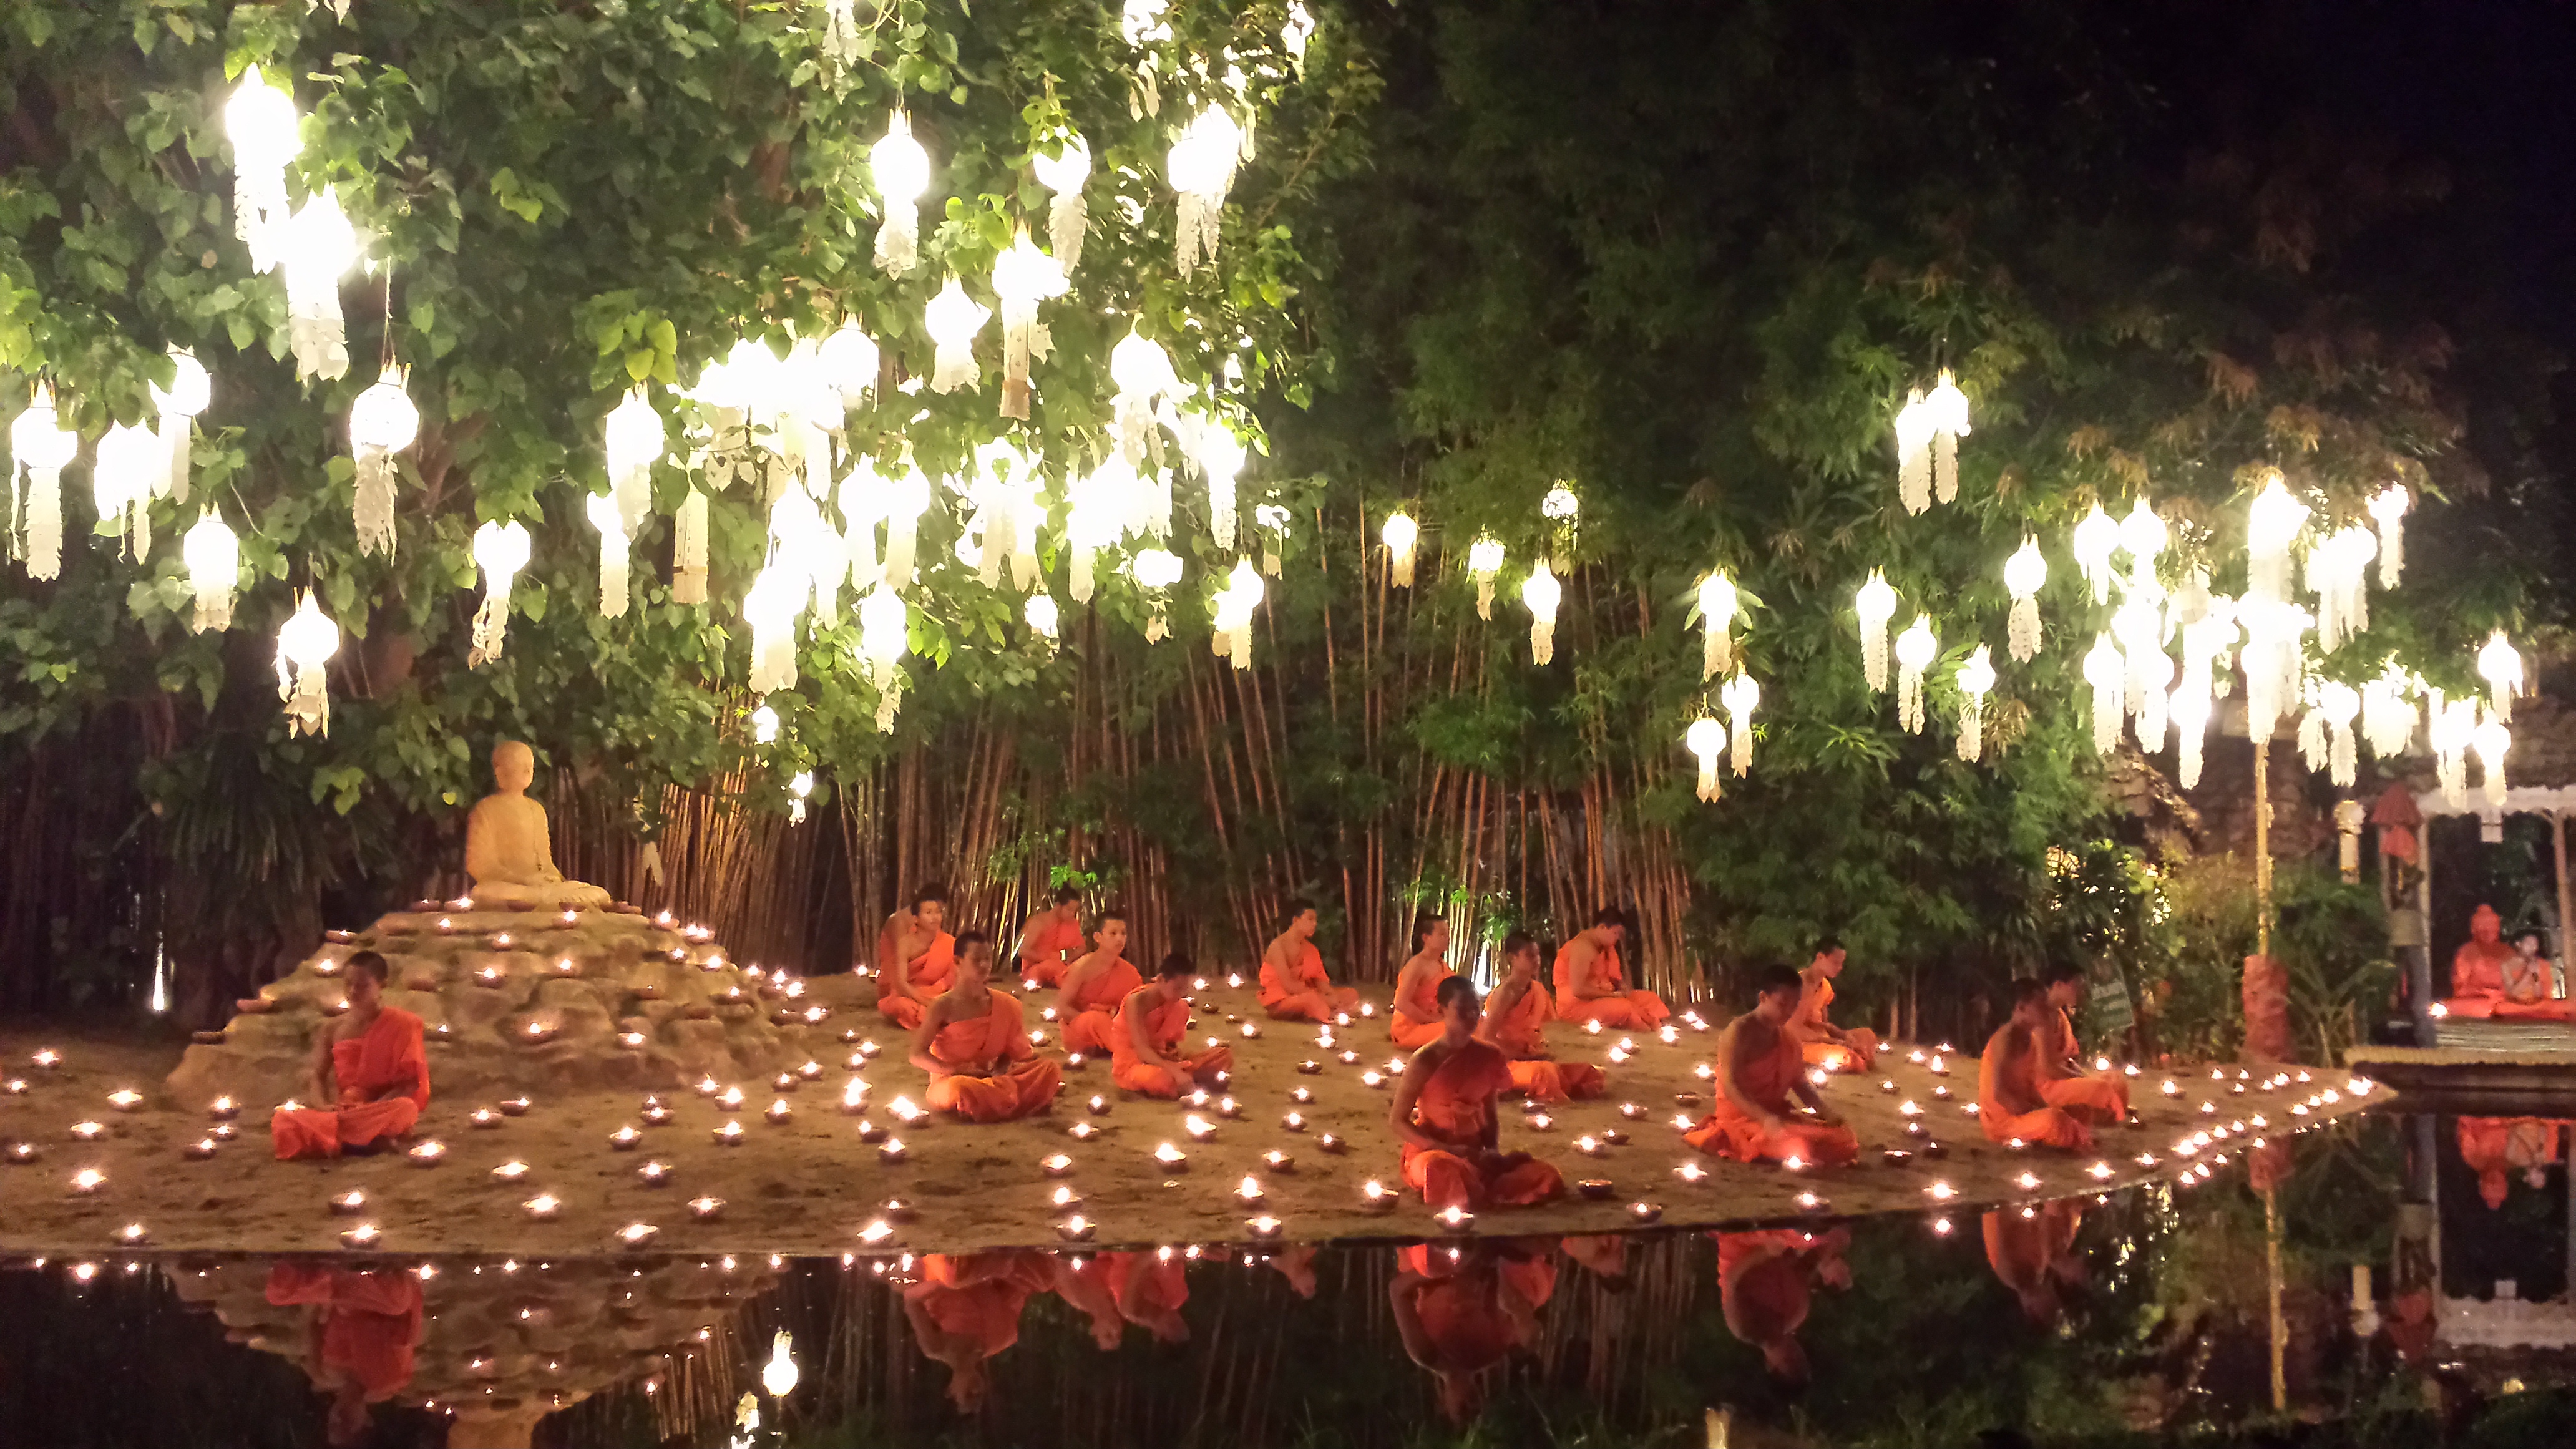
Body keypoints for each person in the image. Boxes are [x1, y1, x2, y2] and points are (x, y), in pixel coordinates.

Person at [1390, 976, 1567, 1209]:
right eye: (1462, 1009)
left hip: (1474, 1153)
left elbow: (1490, 1115)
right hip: (1432, 1151)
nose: (1472, 1016)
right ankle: (1481, 1188)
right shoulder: (1425, 1060)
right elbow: (1397, 1121)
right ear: (1442, 1010)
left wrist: (1492, 1151)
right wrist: (1447, 1149)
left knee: (1547, 1174)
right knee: (1440, 1169)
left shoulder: (1489, 1055)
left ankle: (1478, 1187)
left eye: (1476, 1009)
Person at [1685, 965, 1860, 1166]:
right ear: (1763, 998)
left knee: (1844, 1137)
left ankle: (1801, 1148)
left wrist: (1825, 1111)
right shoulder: (1739, 1033)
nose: (1789, 1012)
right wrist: (1763, 1118)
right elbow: (1730, 1086)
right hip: (1741, 1120)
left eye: (1794, 1006)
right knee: (1792, 1143)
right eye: (1782, 1004)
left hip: (1777, 1118)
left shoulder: (1789, 1040)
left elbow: (1801, 1085)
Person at [272, 952, 429, 1160]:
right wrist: (323, 1106)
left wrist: (371, 1107)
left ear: (382, 985)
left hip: (380, 1107)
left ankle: (341, 1140)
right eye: (348, 984)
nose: (353, 992)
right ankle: (364, 1141)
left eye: (362, 986)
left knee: (405, 1108)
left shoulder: (404, 1024)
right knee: (284, 1118)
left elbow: (408, 1084)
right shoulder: (332, 1029)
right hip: (343, 1109)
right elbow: (317, 1076)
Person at [1388, 1241, 1553, 1423]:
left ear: (1442, 1403)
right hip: (1489, 1256)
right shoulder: (1492, 1353)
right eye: (1477, 1410)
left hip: (1439, 1261)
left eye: (1463, 1409)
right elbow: (1518, 1314)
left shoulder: (1425, 1352)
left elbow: (1397, 1290)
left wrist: (1450, 1270)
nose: (1471, 1403)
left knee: (1430, 1263)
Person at [264, 1261, 422, 1447]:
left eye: (333, 1424)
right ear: (367, 1421)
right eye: (348, 1424)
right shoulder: (390, 1379)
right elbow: (406, 1320)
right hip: (375, 1297)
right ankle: (339, 1272)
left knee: (278, 1295)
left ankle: (330, 1269)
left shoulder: (323, 1372)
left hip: (337, 1293)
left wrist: (318, 1299)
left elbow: (311, 1326)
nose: (339, 1417)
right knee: (397, 1301)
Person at [907, 932, 1061, 1121]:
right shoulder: (942, 1006)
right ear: (958, 961)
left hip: (992, 1078)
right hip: (952, 1080)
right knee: (962, 1089)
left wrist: (1000, 1070)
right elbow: (916, 1055)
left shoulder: (1006, 1003)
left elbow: (1014, 1053)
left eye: (987, 959)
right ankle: (1012, 1101)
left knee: (1049, 1068)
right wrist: (956, 1070)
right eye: (977, 959)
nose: (984, 965)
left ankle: (999, 1102)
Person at [902, 1251, 1055, 1412]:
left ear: (951, 1391)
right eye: (980, 1395)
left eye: (969, 1394)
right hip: (992, 1267)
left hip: (951, 1270)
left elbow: (911, 1299)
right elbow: (1015, 1291)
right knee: (1045, 1280)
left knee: (955, 1276)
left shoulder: (935, 1347)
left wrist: (945, 1284)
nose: (976, 1389)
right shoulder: (1001, 1340)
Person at [1478, 930, 1607, 1102]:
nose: (1536, 960)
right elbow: (1487, 1038)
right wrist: (1522, 1056)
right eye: (1530, 955)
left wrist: (1535, 1053)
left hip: (1530, 1058)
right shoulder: (1505, 993)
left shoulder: (1537, 989)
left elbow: (1538, 1030)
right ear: (1512, 958)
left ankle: (1557, 1084)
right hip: (1504, 1062)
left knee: (1588, 1072)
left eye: (1538, 955)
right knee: (1545, 1073)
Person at [1715, 1226, 1850, 1387]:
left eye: (1788, 1360)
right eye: (1799, 1357)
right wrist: (1830, 1252)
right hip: (1781, 1243)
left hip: (1742, 1245)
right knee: (1833, 1232)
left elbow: (1730, 1280)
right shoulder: (1798, 1313)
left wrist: (1765, 1252)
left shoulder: (1744, 1328)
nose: (1793, 1352)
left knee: (1794, 1230)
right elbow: (1805, 1266)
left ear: (1770, 1364)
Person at [1979, 980, 2094, 1150]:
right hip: (2004, 1121)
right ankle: (2062, 1137)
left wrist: (2045, 1108)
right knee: (2054, 1120)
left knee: (2080, 1107)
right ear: (2022, 1008)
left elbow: (2030, 1088)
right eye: (2041, 1006)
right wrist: (2036, 1113)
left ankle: (2061, 1135)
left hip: (2024, 1111)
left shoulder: (2030, 1039)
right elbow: (1999, 1094)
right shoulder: (2005, 1039)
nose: (2047, 1012)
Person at [1111, 954, 1236, 1098]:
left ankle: (1187, 1080)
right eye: (1177, 989)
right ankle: (1190, 1080)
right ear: (1161, 980)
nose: (1181, 994)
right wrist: (1175, 1071)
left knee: (1224, 1055)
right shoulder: (1136, 1002)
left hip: (1163, 1060)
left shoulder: (1180, 1007)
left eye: (1185, 989)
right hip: (1134, 1064)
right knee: (1161, 1079)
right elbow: (1142, 1050)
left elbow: (1171, 1046)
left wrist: (1172, 1056)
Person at [2035, 965, 2131, 1126]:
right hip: (2043, 1086)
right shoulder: (2039, 1017)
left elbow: (2068, 1059)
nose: (2080, 991)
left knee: (2116, 1081)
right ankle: (2095, 1115)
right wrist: (2082, 1079)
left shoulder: (2059, 1015)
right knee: (2100, 1087)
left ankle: (2099, 1113)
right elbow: (2047, 1068)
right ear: (2058, 985)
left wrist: (2084, 1076)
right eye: (2076, 986)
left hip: (2061, 1077)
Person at [1552, 907, 1669, 1029]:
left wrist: (1621, 987)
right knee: (1626, 1008)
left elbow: (1613, 977)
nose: (1617, 938)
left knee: (1650, 998)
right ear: (1602, 927)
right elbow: (1579, 991)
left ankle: (1654, 1024)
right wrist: (1611, 995)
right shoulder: (1582, 948)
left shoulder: (1605, 947)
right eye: (1616, 933)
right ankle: (1648, 1027)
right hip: (1577, 1006)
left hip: (1603, 997)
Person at [1053, 910, 1142, 1057]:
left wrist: (1115, 1015)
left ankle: (1127, 1047)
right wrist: (1092, 1015)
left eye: (1123, 934)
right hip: (1080, 1030)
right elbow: (1063, 1008)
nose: (1120, 939)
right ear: (1098, 937)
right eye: (1113, 934)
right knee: (1096, 1019)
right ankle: (1131, 1052)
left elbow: (1136, 1007)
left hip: (1115, 1026)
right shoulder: (1082, 968)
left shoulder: (1130, 972)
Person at [1983, 1200, 2086, 1327]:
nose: (2050, 1296)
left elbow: (2001, 1217)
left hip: (2010, 1199)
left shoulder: (2009, 1271)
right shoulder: (2041, 1268)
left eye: (2047, 1306)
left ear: (2030, 1308)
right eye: (2052, 1301)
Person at [1260, 900, 1359, 1022]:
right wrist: (1322, 998)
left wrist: (1332, 995)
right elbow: (1289, 986)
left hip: (1309, 995)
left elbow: (1321, 982)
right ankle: (1329, 1014)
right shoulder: (1278, 947)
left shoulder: (1311, 949)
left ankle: (1326, 1010)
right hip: (1283, 1000)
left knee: (1350, 994)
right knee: (1310, 999)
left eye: (1315, 920)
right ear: (1296, 920)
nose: (1315, 924)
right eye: (1310, 919)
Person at [1789, 937, 1878, 1072]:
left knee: (1867, 1035)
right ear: (1820, 957)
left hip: (1820, 1039)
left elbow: (1823, 1024)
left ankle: (1856, 1057)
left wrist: (1843, 1035)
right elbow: (1794, 1029)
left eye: (1841, 963)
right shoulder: (1800, 985)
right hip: (1797, 1043)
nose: (1840, 968)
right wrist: (1835, 1042)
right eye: (1836, 963)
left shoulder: (1825, 986)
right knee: (1846, 1057)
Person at [875, 886, 955, 1031]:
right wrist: (927, 1002)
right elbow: (901, 984)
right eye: (929, 912)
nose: (935, 917)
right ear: (916, 919)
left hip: (938, 992)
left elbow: (954, 979)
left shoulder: (949, 942)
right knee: (903, 1006)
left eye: (938, 911)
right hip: (909, 991)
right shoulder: (904, 936)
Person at [1389, 913, 1456, 1050]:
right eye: (1442, 934)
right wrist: (1432, 1021)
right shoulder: (1417, 965)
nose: (1447, 939)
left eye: (1448, 934)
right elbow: (1401, 1003)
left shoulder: (1441, 964)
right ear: (1426, 938)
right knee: (1460, 1031)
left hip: (1436, 1023)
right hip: (1410, 1029)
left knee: (1474, 1024)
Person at [1103, 1247, 1193, 1343]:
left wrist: (1163, 1253)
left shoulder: (1132, 1309)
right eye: (1180, 1322)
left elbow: (1139, 1263)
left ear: (1157, 1333)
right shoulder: (1178, 1297)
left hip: (1128, 1248)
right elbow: (1180, 1260)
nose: (1175, 1318)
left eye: (1172, 1325)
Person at [1017, 887, 1088, 988]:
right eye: (1069, 910)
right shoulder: (1039, 922)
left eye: (1075, 911)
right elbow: (1023, 951)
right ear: (1058, 906)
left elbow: (1082, 948)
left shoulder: (1071, 923)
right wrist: (1049, 958)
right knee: (1054, 966)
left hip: (1061, 966)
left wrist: (1068, 959)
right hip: (1035, 969)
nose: (1073, 914)